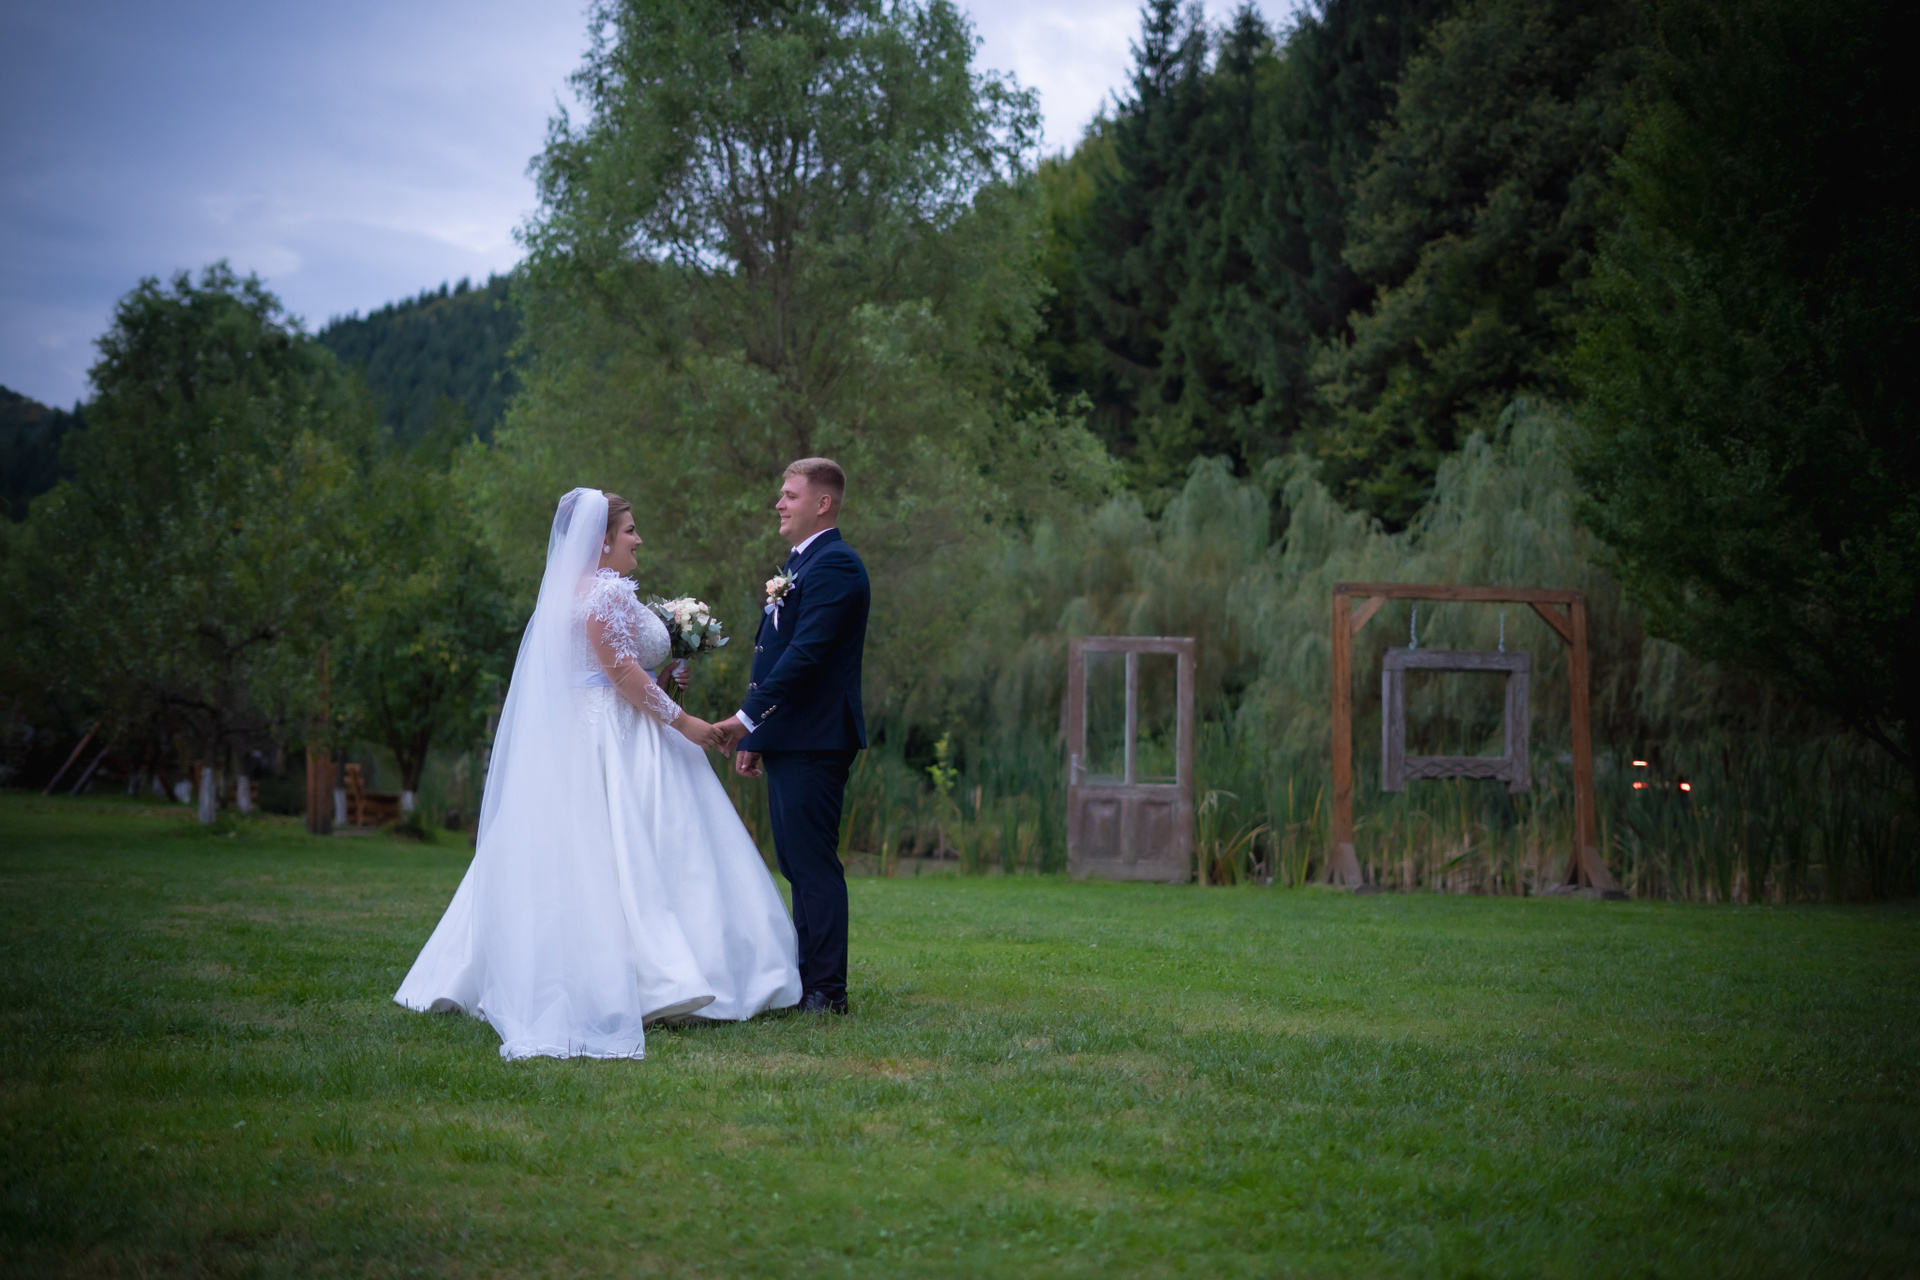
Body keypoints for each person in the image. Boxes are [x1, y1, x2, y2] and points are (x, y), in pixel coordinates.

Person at [395, 488, 802, 1059]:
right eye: (630, 530)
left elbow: (604, 671)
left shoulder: (569, 593)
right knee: (646, 844)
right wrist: (686, 722)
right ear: (602, 540)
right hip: (619, 732)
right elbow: (622, 676)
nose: (639, 539)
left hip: (586, 729)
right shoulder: (605, 592)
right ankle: (667, 978)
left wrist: (665, 680)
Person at [714, 458, 870, 1015]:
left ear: (822, 503)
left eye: (790, 495)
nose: (779, 504)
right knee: (796, 864)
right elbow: (774, 654)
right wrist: (760, 735)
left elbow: (806, 654)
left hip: (817, 736)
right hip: (790, 734)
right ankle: (809, 981)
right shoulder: (802, 563)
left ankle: (827, 992)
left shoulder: (836, 566)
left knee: (812, 864)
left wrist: (746, 719)